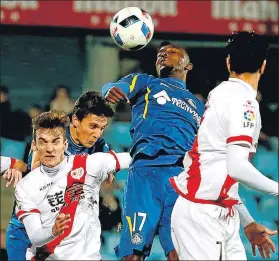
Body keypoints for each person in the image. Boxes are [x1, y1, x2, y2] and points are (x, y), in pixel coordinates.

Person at [170, 31, 278, 260]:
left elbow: (220, 172)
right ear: (264, 66)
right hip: (202, 215)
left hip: (220, 212)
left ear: (228, 62)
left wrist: (247, 222)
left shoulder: (223, 93)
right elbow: (236, 167)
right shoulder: (243, 102)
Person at [102, 41, 204, 260]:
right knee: (133, 252)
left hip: (181, 180)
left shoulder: (199, 105)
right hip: (145, 174)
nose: (163, 56)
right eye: (160, 54)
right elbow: (115, 86)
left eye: (171, 52)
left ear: (188, 65)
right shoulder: (146, 82)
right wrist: (111, 90)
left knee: (180, 252)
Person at [6, 91, 115, 261]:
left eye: (102, 128)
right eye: (93, 127)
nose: (97, 134)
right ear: (76, 121)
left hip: (66, 238)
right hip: (28, 233)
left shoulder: (99, 145)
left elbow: (108, 169)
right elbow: (35, 173)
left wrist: (108, 172)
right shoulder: (52, 136)